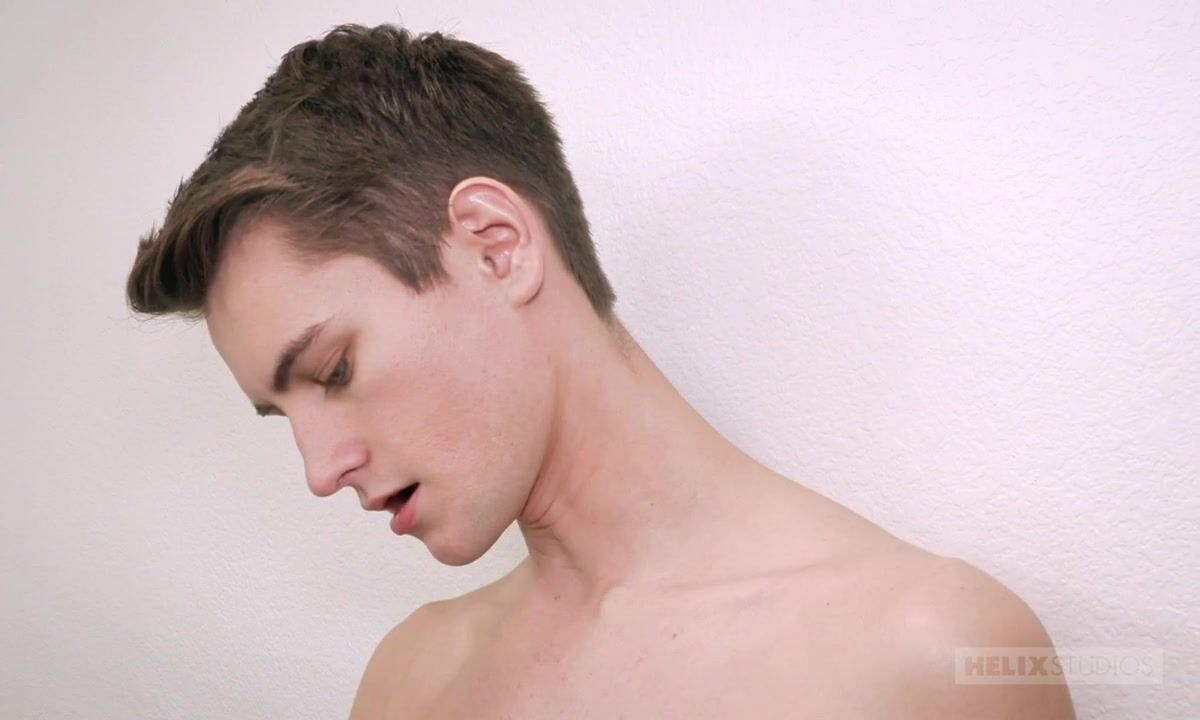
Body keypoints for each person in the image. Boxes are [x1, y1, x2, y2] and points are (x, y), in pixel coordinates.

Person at [125, 22, 1075, 719]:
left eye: (333, 371)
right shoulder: (410, 683)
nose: (319, 469)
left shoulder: (933, 654)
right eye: (282, 413)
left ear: (495, 247)